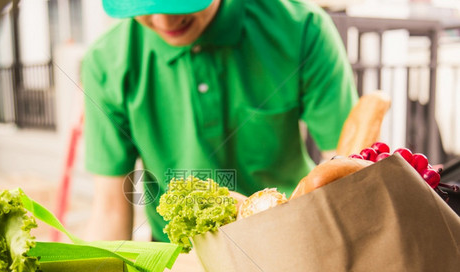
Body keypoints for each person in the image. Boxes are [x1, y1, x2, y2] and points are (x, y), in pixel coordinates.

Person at [80, 0, 358, 242]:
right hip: (176, 256)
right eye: (144, 4)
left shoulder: (302, 27)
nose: (165, 21)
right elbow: (110, 208)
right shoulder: (106, 62)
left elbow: (348, 171)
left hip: (289, 237)